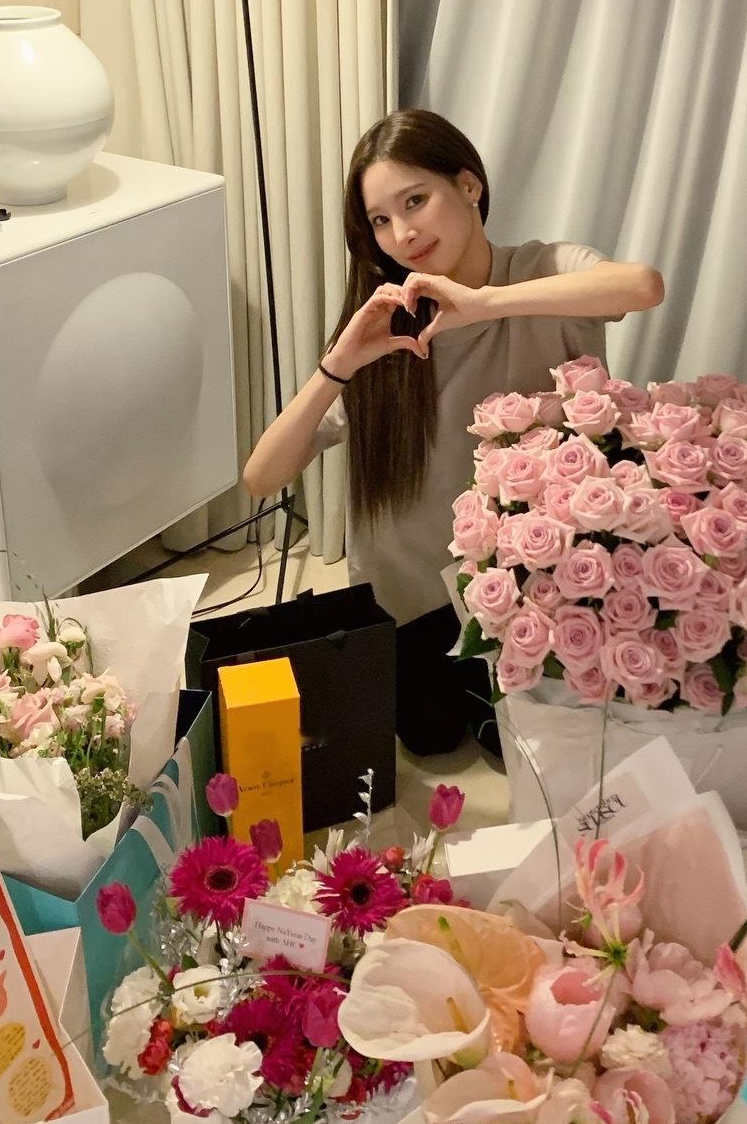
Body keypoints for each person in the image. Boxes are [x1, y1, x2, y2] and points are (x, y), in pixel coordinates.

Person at [244, 108, 664, 755]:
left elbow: (642, 286)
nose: (403, 233)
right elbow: (261, 476)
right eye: (381, 220)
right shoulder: (391, 326)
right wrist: (339, 364)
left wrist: (485, 303)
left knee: (520, 752)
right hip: (415, 598)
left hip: (533, 586)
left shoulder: (544, 268)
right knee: (431, 740)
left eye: (416, 200)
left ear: (469, 184)